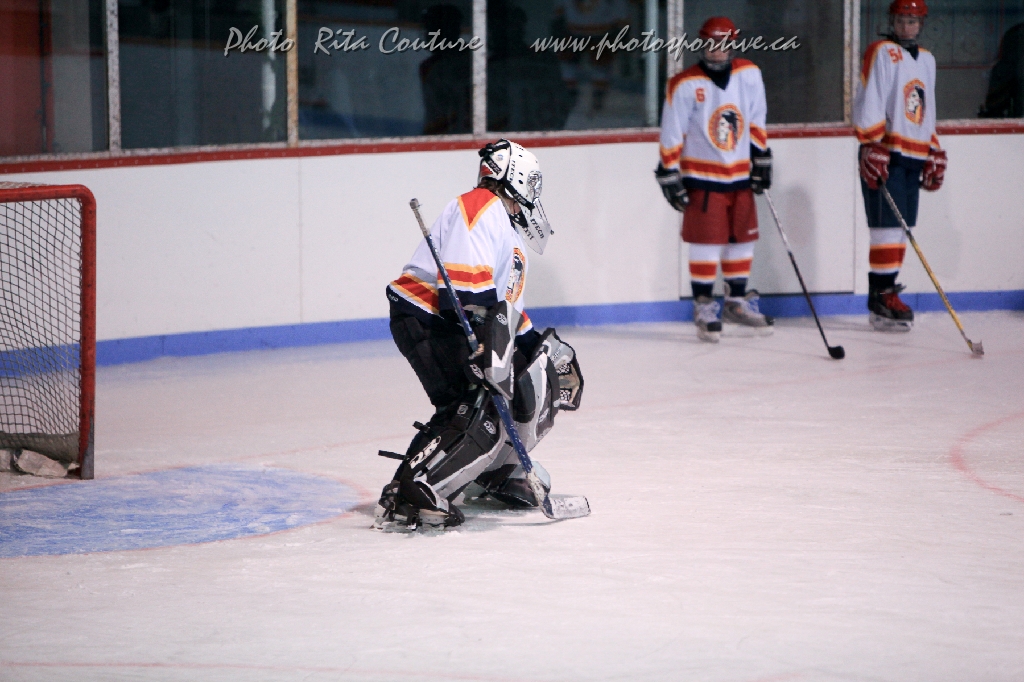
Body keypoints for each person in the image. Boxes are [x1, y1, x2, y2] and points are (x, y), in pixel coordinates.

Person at [375, 140, 584, 531]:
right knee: (472, 407)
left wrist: (534, 349)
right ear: (514, 175)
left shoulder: (507, 231)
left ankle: (488, 473)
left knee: (509, 390)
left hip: (447, 319)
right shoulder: (481, 205)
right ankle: (414, 489)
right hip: (427, 315)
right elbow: (466, 290)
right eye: (531, 181)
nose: (533, 192)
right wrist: (487, 338)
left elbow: (506, 310)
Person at [655, 16, 774, 343]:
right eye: (710, 43)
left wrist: (762, 155)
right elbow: (672, 131)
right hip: (703, 179)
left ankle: (736, 302)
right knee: (706, 244)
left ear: (732, 44)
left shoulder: (749, 74)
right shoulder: (685, 84)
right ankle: (705, 306)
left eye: (722, 43)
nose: (716, 49)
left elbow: (756, 118)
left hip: (740, 176)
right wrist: (668, 171)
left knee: (742, 240)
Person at [853, 0, 945, 331]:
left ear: (921, 24)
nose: (906, 26)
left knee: (902, 228)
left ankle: (888, 290)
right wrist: (871, 143)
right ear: (892, 21)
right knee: (886, 228)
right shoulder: (882, 51)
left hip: (914, 155)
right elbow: (871, 97)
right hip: (886, 152)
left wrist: (933, 148)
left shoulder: (928, 59)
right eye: (901, 20)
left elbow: (928, 106)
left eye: (912, 20)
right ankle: (881, 295)